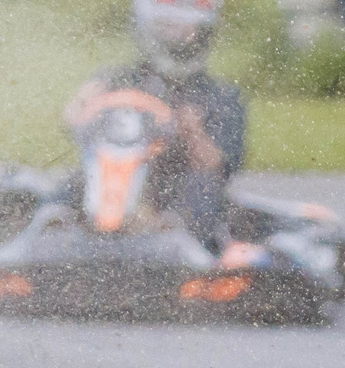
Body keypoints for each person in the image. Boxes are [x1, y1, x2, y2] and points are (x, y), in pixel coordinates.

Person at [65, 0, 245, 245]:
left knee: (201, 188)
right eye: (165, 21)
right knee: (71, 181)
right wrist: (83, 103)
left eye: (181, 23)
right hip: (114, 177)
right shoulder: (117, 78)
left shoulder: (219, 96)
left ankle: (182, 245)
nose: (172, 29)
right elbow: (74, 123)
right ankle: (54, 233)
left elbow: (218, 168)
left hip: (171, 191)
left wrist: (193, 132)